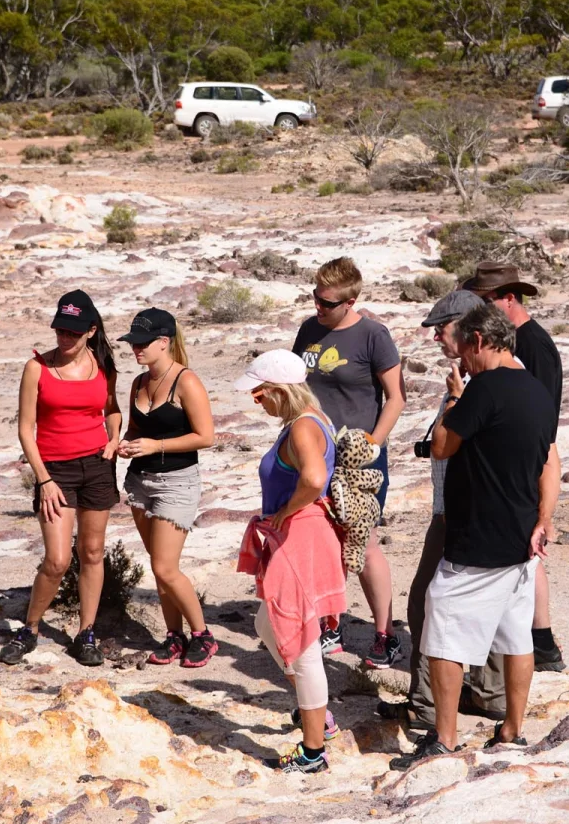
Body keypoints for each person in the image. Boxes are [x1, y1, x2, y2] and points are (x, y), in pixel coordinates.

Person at [391, 304, 560, 768]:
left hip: (480, 538)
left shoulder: (481, 391)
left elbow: (443, 447)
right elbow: (550, 462)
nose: (459, 356)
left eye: (462, 344)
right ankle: (512, 730)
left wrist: (453, 400)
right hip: (523, 537)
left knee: (442, 627)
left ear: (480, 340)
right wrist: (544, 517)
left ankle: (443, 740)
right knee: (515, 637)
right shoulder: (536, 391)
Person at [375, 288, 504, 734]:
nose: (434, 339)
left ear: (469, 328)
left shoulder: (475, 383)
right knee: (486, 605)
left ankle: (427, 706)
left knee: (426, 606)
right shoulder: (479, 374)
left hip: (457, 512)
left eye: (440, 329)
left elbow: (456, 446)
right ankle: (488, 694)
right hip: (468, 509)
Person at [233, 350, 347, 775]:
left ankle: (313, 751)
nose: (256, 403)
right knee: (268, 624)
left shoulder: (302, 426)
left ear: (280, 391)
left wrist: (285, 511)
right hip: (305, 535)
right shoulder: (315, 418)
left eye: (260, 395)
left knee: (300, 643)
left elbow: (315, 479)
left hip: (301, 536)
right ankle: (318, 714)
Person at [0, 290, 122, 668]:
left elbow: (111, 409)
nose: (64, 339)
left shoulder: (103, 363)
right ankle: (30, 628)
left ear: (90, 330)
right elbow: (25, 429)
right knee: (56, 559)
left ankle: (86, 633)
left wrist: (115, 437)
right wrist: (43, 479)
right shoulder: (36, 368)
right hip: (55, 470)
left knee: (92, 552)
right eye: (59, 331)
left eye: (72, 332)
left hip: (97, 466)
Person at [292, 257, 405, 668]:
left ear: (350, 300)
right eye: (315, 298)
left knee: (363, 541)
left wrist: (372, 444)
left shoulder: (374, 335)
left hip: (361, 459)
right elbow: (296, 387)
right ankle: (330, 625)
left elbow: (395, 397)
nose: (318, 307)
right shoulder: (309, 330)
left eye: (326, 302)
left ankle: (384, 634)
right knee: (322, 541)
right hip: (315, 452)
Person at [462, 261, 565, 673]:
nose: (480, 311)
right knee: (527, 554)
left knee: (527, 553)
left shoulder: (531, 345)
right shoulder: (522, 340)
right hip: (529, 458)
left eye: (485, 302)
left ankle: (539, 644)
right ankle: (538, 644)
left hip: (530, 460)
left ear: (508, 297)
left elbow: (537, 411)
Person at [116, 308, 218, 668]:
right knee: (159, 565)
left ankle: (203, 635)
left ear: (164, 342)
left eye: (142, 343)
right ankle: (174, 636)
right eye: (132, 343)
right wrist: (123, 443)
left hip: (176, 482)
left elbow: (206, 436)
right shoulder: (138, 383)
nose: (136, 349)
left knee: (165, 567)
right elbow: (134, 431)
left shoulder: (186, 381)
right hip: (140, 482)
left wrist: (155, 446)